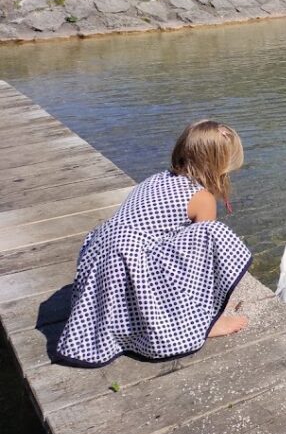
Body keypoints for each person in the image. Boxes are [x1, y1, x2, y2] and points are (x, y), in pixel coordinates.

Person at [55, 121, 252, 366]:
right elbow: (201, 264)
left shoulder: (155, 179)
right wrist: (212, 309)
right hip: (128, 267)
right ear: (219, 165)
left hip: (102, 259)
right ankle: (207, 324)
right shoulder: (202, 197)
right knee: (214, 236)